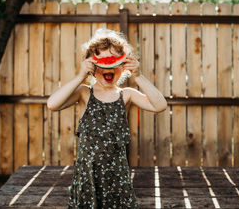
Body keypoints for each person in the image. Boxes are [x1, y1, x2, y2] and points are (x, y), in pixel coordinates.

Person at [47, 28, 167, 208]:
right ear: (91, 66)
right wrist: (80, 76)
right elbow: (52, 104)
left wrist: (139, 76)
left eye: (113, 62)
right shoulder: (84, 93)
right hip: (88, 173)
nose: (107, 67)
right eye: (101, 63)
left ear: (124, 65)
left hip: (116, 174)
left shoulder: (126, 94)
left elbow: (160, 105)